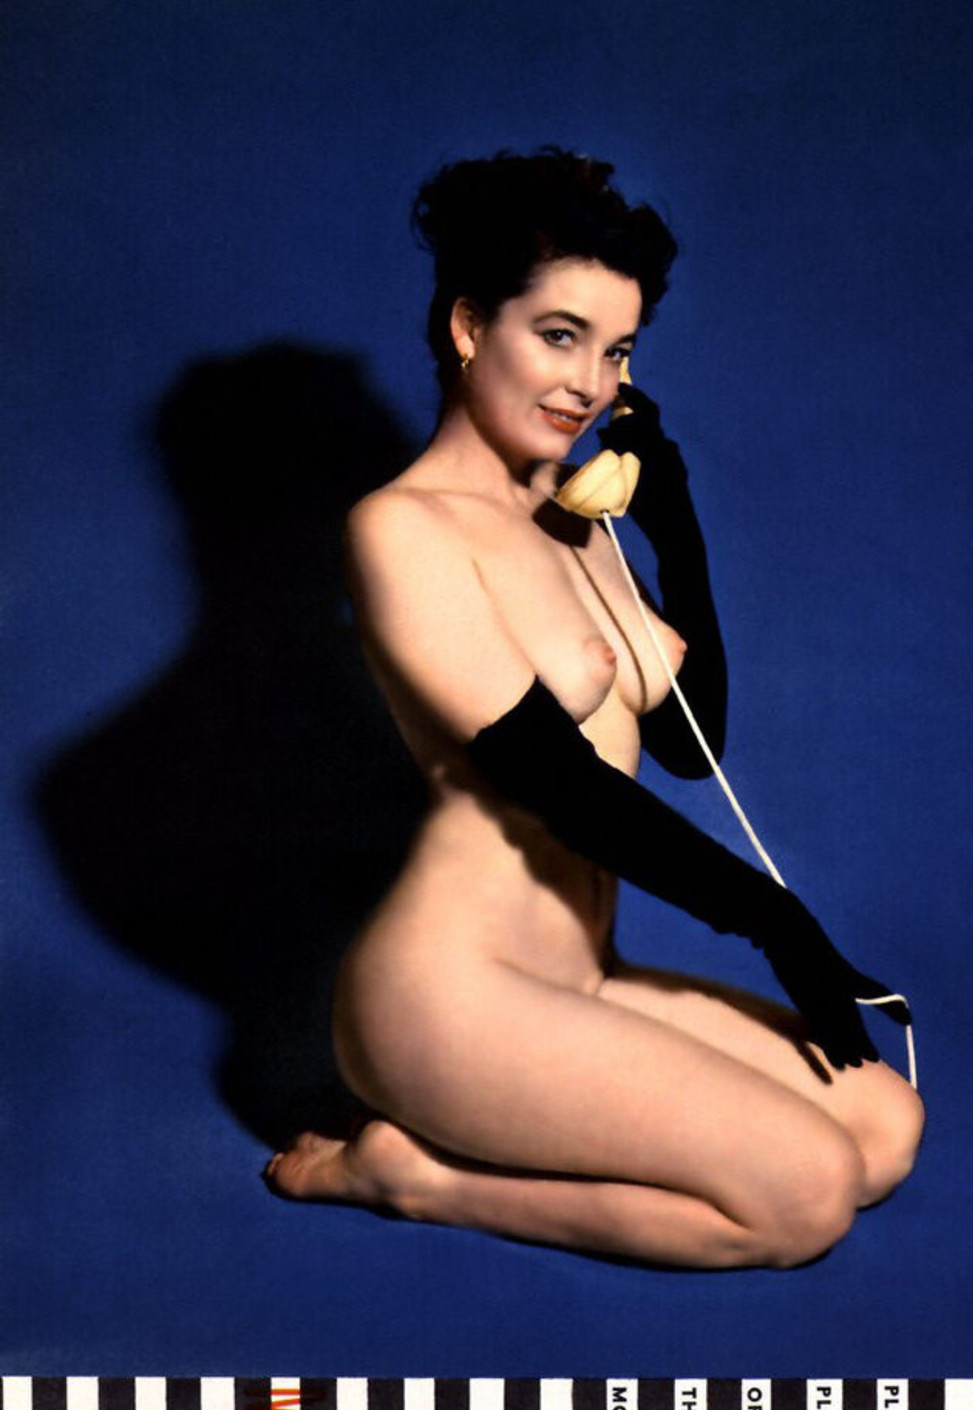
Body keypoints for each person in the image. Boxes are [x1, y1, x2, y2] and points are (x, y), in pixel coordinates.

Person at [265, 147, 924, 1268]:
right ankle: (409, 1177)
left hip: (581, 975)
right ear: (470, 326)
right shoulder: (402, 530)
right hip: (448, 997)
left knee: (882, 1129)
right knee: (805, 1199)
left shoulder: (581, 522)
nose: (589, 383)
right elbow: (557, 782)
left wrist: (676, 523)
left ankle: (465, 1142)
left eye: (616, 350)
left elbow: (688, 741)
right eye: (559, 335)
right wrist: (775, 921)